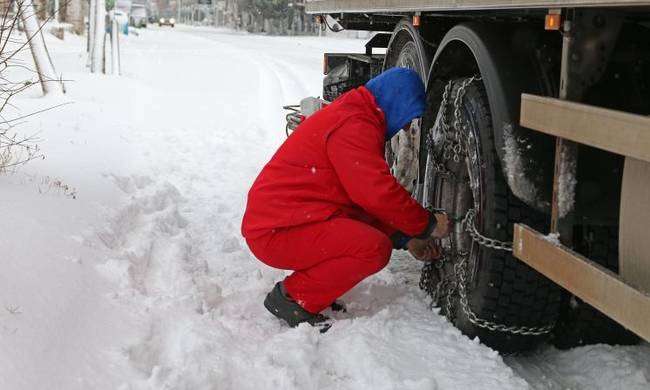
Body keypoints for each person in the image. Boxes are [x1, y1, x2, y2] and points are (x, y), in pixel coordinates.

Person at [241, 67, 451, 331]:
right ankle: (294, 298)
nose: (407, 126)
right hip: (276, 232)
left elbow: (360, 203)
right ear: (395, 101)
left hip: (285, 223)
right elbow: (375, 194)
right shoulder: (354, 124)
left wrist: (406, 237)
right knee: (372, 248)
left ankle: (313, 291)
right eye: (408, 116)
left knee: (365, 238)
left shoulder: (354, 116)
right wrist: (427, 224)